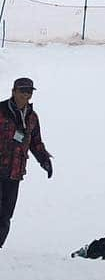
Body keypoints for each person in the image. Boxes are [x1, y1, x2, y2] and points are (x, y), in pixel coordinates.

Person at [0, 77, 52, 249]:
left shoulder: (31, 117)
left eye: (29, 92)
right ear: (13, 91)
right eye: (23, 91)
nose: (26, 95)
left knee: (5, 216)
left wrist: (44, 160)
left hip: (14, 173)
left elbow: (35, 142)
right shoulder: (1, 111)